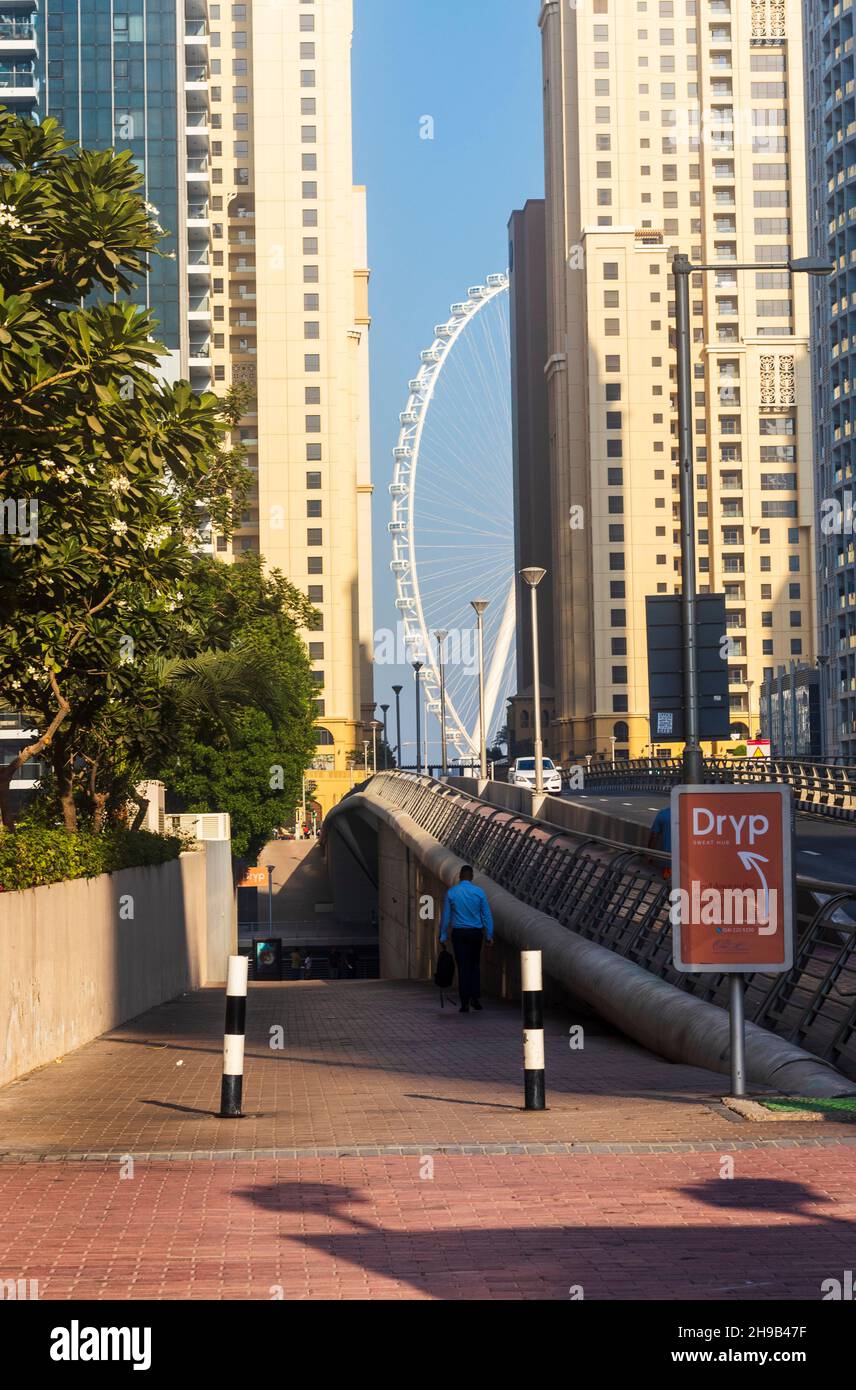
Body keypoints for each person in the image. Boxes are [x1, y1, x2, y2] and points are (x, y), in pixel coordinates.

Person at [439, 865, 493, 1013]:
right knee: (475, 965)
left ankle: (464, 1003)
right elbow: (486, 915)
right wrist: (489, 935)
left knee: (463, 967)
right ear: (471, 877)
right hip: (475, 933)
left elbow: (446, 917)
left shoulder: (452, 893)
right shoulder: (479, 893)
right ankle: (475, 999)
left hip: (459, 934)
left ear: (460, 877)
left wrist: (443, 935)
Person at [648, 806, 673, 879]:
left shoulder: (663, 814)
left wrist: (649, 854)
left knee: (669, 885)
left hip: (668, 860)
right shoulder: (692, 813)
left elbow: (654, 836)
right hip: (689, 861)